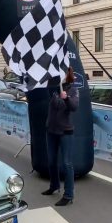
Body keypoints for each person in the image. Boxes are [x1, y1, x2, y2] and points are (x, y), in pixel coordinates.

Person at [41, 67, 79, 206]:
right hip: (51, 131)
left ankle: (68, 195)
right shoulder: (53, 89)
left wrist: (67, 98)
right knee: (51, 161)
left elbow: (74, 107)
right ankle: (54, 186)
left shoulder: (72, 90)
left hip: (65, 132)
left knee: (67, 163)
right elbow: (53, 103)